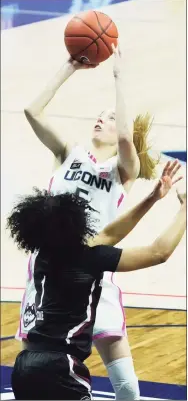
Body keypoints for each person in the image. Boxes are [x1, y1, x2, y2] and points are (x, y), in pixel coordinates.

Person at [18, 44, 181, 400]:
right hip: (50, 268)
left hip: (94, 269)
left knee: (122, 378)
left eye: (109, 116)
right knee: (40, 355)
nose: (101, 118)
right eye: (101, 114)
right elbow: (32, 110)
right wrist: (68, 67)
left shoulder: (123, 169)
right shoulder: (68, 153)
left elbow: (126, 137)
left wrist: (120, 78)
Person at [8, 170, 186, 400]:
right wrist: (185, 210)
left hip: (25, 366)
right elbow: (158, 252)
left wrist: (151, 199)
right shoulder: (90, 258)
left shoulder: (44, 255)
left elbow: (109, 234)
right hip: (60, 367)